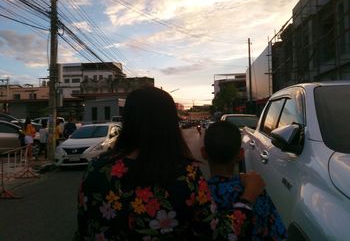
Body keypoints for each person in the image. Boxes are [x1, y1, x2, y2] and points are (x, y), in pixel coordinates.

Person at [77, 86, 266, 240]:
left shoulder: (97, 168)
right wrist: (248, 197)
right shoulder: (185, 175)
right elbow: (219, 234)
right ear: (169, 123)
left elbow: (84, 227)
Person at [202, 120, 288, 240]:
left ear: (203, 153)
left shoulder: (200, 197)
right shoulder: (255, 190)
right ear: (241, 154)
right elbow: (278, 232)